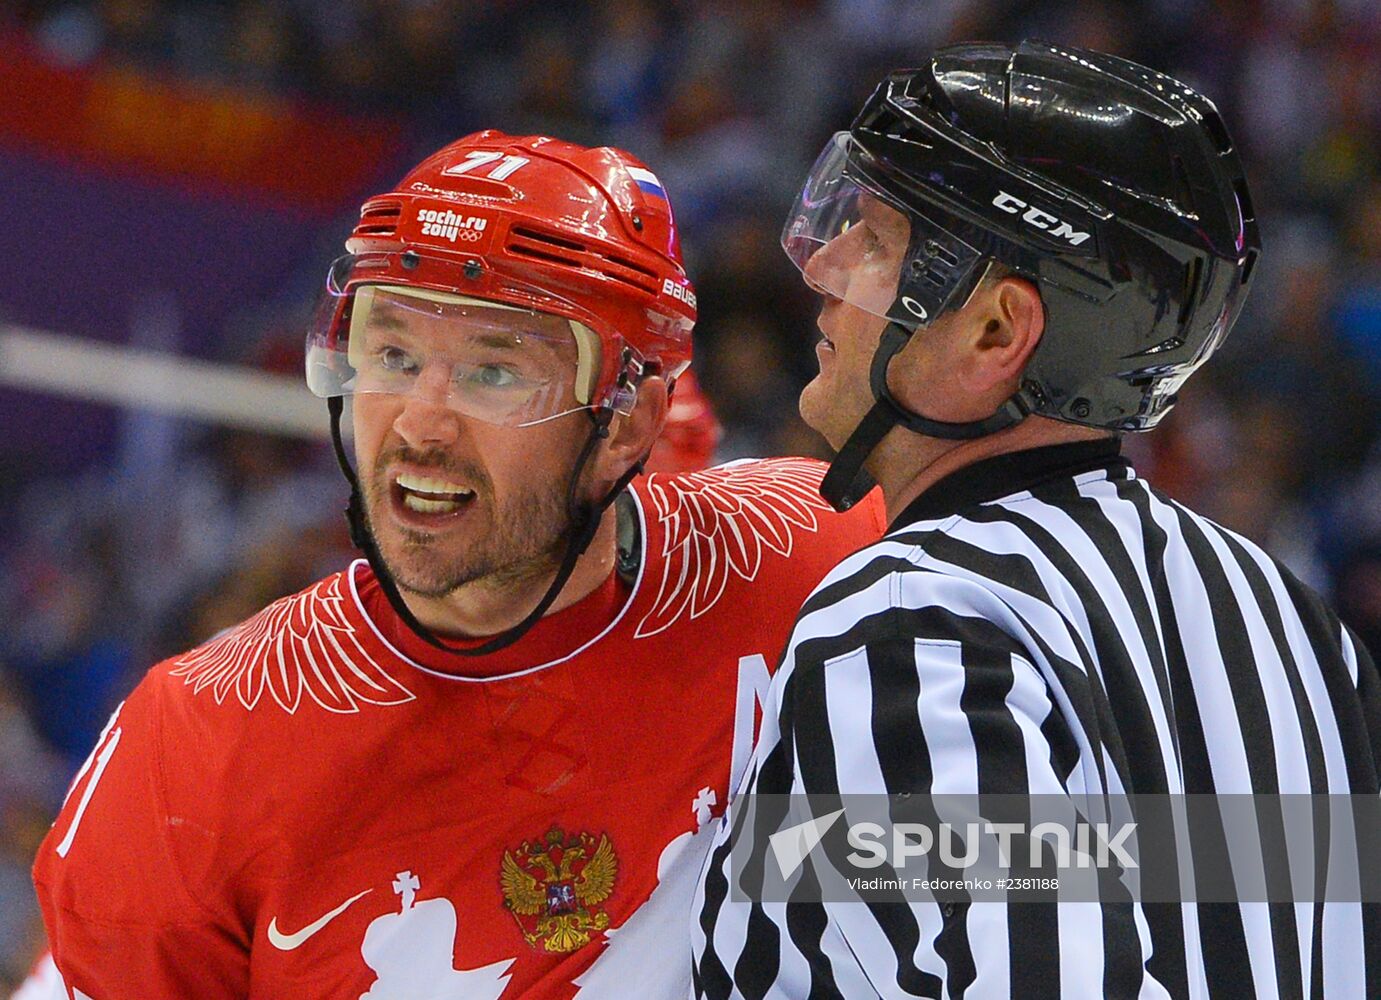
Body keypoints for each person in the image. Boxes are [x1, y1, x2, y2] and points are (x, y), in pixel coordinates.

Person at [32, 131, 886, 999]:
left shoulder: (819, 558)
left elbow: (991, 905)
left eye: (492, 372)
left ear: (627, 424)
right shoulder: (196, 742)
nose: (419, 425)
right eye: (394, 356)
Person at [694, 41, 1381, 998]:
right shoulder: (1286, 618)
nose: (826, 268)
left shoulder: (917, 618)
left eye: (879, 242)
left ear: (995, 334)